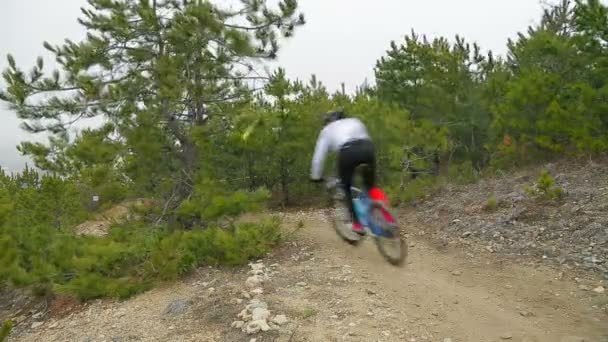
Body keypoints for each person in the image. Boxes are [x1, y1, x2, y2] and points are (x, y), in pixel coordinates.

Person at [309, 110, 389, 233]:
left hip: (348, 151)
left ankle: (357, 224)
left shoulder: (327, 130)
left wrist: (316, 176)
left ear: (328, 121)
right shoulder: (355, 121)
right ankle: (386, 214)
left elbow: (318, 157)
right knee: (371, 186)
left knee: (346, 187)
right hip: (367, 148)